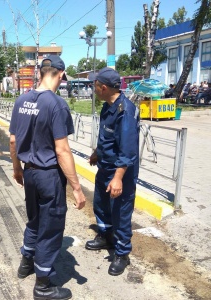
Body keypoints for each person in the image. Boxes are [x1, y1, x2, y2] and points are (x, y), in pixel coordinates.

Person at [9, 54, 86, 300]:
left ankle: (26, 263)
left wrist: (17, 168)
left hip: (29, 172)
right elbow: (62, 150)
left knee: (34, 220)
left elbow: (13, 140)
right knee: (51, 228)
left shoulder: (21, 101)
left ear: (41, 72)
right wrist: (76, 187)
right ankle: (43, 285)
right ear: (61, 75)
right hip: (49, 175)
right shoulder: (56, 104)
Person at [86, 67, 140, 276]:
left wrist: (118, 179)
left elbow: (127, 150)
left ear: (104, 87)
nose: (94, 89)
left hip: (121, 172)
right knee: (101, 204)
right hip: (105, 166)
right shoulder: (108, 106)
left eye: (95, 85)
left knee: (120, 211)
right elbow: (106, 137)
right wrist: (96, 153)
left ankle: (122, 253)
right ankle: (106, 235)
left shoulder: (124, 111)